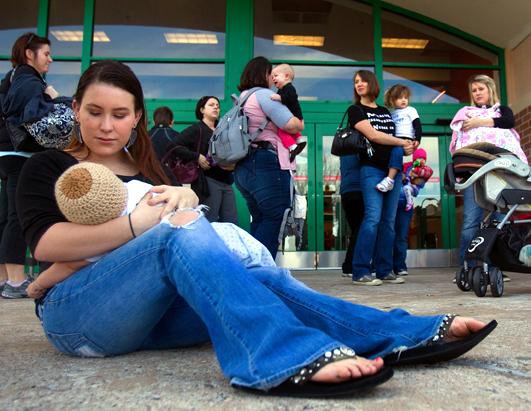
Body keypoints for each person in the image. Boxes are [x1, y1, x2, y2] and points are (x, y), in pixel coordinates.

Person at [16, 59, 495, 398]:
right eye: (95, 112)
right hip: (77, 319)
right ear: (76, 107)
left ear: (138, 116)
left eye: (120, 115)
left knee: (257, 278)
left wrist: (181, 198)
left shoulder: (150, 171)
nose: (106, 125)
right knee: (177, 231)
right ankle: (279, 355)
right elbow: (47, 244)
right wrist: (143, 222)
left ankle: (397, 334)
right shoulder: (52, 166)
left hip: (147, 318)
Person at [27, 162, 274, 299]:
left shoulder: (106, 235)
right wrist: (186, 194)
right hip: (224, 235)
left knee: (249, 289)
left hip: (205, 253)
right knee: (268, 279)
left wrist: (38, 284)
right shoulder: (138, 189)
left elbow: (69, 266)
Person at [0, 32, 68, 298]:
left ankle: (6, 277)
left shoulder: (11, 78)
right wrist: (55, 97)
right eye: (47, 54)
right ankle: (17, 282)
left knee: (6, 217)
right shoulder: (29, 81)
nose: (50, 60)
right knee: (19, 217)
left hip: (5, 155)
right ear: (30, 54)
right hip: (21, 156)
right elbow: (37, 116)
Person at [449, 74, 528, 271]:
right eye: (474, 91)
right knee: (470, 222)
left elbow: (508, 121)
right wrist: (475, 122)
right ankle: (467, 268)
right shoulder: (465, 112)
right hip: (474, 174)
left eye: (481, 89)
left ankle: (494, 267)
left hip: (501, 174)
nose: (477, 94)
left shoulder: (502, 110)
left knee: (499, 221)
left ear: (490, 89)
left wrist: (479, 122)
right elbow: (462, 138)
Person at [233, 57, 304, 259]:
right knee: (275, 216)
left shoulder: (242, 98)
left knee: (260, 218)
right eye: (270, 74)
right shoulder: (263, 95)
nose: (273, 79)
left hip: (244, 165)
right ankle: (260, 272)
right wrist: (300, 122)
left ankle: (250, 270)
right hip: (265, 163)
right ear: (262, 74)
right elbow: (293, 125)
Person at [348, 70, 414, 286]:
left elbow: (400, 142)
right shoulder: (355, 110)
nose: (359, 84)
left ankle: (385, 270)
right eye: (356, 82)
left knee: (388, 221)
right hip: (371, 170)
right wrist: (399, 141)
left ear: (372, 84)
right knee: (373, 218)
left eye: (363, 81)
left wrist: (410, 145)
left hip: (392, 171)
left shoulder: (386, 111)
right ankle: (360, 270)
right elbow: (374, 136)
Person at [172, 96, 238, 224]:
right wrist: (197, 157)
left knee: (231, 223)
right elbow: (174, 146)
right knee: (209, 221)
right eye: (211, 105)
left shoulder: (223, 129)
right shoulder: (197, 129)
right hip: (208, 182)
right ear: (202, 109)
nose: (216, 107)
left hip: (227, 181)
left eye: (218, 106)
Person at [393, 148, 433, 277]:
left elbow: (422, 178)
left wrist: (413, 176)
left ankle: (400, 266)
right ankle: (385, 264)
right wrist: (405, 176)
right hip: (393, 202)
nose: (421, 160)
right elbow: (397, 175)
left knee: (402, 236)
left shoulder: (426, 170)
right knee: (388, 234)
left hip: (406, 205)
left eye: (423, 159)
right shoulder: (405, 166)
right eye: (418, 158)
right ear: (414, 158)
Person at [377, 84, 422, 193]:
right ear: (393, 100)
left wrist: (418, 139)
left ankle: (390, 179)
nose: (403, 100)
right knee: (392, 154)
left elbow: (417, 125)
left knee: (397, 151)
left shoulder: (411, 110)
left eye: (405, 98)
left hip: (406, 138)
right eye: (399, 98)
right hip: (394, 139)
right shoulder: (392, 113)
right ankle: (398, 174)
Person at [270, 64, 306, 162]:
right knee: (291, 130)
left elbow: (291, 99)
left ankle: (292, 146)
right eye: (272, 77)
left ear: (286, 76)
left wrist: (279, 98)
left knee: (282, 131)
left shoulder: (289, 88)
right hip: (296, 118)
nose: (273, 79)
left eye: (276, 76)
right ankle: (299, 140)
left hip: (294, 117)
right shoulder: (282, 89)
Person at [339, 154, 364, 277]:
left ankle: (349, 265)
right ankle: (349, 266)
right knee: (360, 230)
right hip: (358, 189)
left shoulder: (344, 148)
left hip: (345, 191)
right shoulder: (360, 144)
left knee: (356, 230)